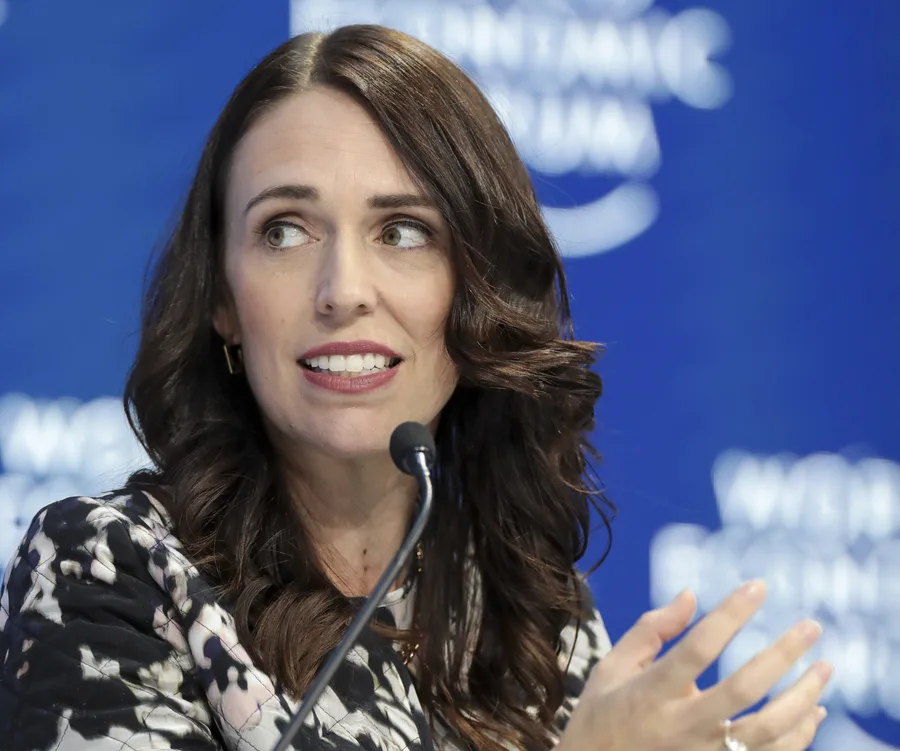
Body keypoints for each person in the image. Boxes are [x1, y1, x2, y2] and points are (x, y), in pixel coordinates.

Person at [0, 24, 831, 751]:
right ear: (223, 298)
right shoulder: (109, 570)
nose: (344, 288)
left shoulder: (530, 618)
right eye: (284, 230)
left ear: (473, 291)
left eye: (403, 231)